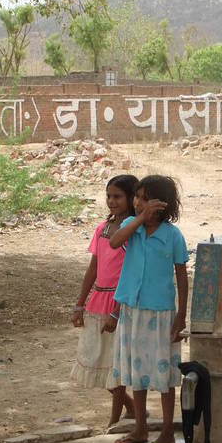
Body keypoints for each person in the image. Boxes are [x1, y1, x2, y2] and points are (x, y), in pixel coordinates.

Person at [109, 175, 189, 443]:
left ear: (161, 203)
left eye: (144, 197)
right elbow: (114, 242)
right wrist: (140, 218)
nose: (138, 201)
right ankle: (140, 427)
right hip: (132, 310)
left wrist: (181, 317)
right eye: (137, 197)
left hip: (161, 314)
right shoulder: (133, 229)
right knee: (137, 371)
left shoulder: (173, 236)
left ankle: (167, 433)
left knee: (164, 375)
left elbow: (181, 276)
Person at [71, 174, 139, 428]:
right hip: (98, 300)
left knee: (115, 365)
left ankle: (114, 421)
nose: (111, 201)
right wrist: (79, 304)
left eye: (117, 196)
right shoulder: (102, 228)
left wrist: (117, 311)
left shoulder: (131, 233)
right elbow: (93, 268)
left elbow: (131, 274)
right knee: (94, 359)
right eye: (109, 196)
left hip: (118, 303)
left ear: (132, 199)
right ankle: (130, 408)